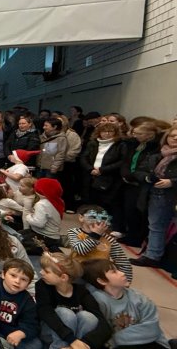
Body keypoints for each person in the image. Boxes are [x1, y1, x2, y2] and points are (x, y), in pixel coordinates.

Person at [82, 259, 174, 349]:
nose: (122, 273)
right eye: (114, 272)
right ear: (102, 281)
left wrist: (114, 340)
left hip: (149, 342)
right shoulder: (97, 300)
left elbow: (152, 329)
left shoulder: (139, 298)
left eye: (118, 270)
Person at [36, 252, 111, 349]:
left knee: (89, 317)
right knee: (66, 314)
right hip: (51, 331)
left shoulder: (81, 291)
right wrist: (71, 339)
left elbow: (104, 324)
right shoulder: (42, 285)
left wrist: (86, 343)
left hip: (75, 338)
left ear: (63, 277)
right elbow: (45, 312)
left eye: (46, 271)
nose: (41, 272)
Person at [130, 124, 177, 268]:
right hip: (156, 194)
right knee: (156, 226)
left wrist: (172, 182)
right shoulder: (159, 154)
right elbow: (138, 171)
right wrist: (147, 178)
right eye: (172, 136)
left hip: (173, 195)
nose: (175, 138)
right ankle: (152, 256)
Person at [79, 123, 126, 230]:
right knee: (92, 202)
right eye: (104, 131)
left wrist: (102, 170)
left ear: (115, 133)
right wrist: (90, 169)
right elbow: (84, 157)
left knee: (108, 204)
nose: (107, 134)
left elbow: (122, 161)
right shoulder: (93, 143)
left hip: (109, 177)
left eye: (110, 131)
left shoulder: (120, 145)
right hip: (91, 175)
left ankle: (108, 226)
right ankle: (92, 224)